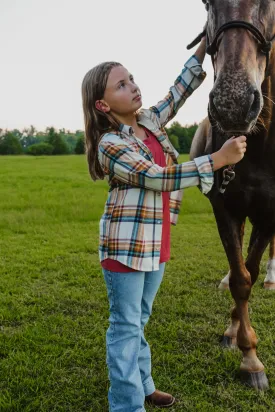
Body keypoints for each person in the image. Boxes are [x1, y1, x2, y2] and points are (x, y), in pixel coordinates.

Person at [81, 37, 246, 412]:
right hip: (126, 248)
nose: (133, 86)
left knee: (140, 319)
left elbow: (179, 90)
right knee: (125, 327)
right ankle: (127, 405)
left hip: (157, 242)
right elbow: (156, 177)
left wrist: (207, 43)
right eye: (121, 84)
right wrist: (216, 159)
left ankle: (144, 386)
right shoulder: (110, 143)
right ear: (104, 105)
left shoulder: (149, 120)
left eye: (132, 78)